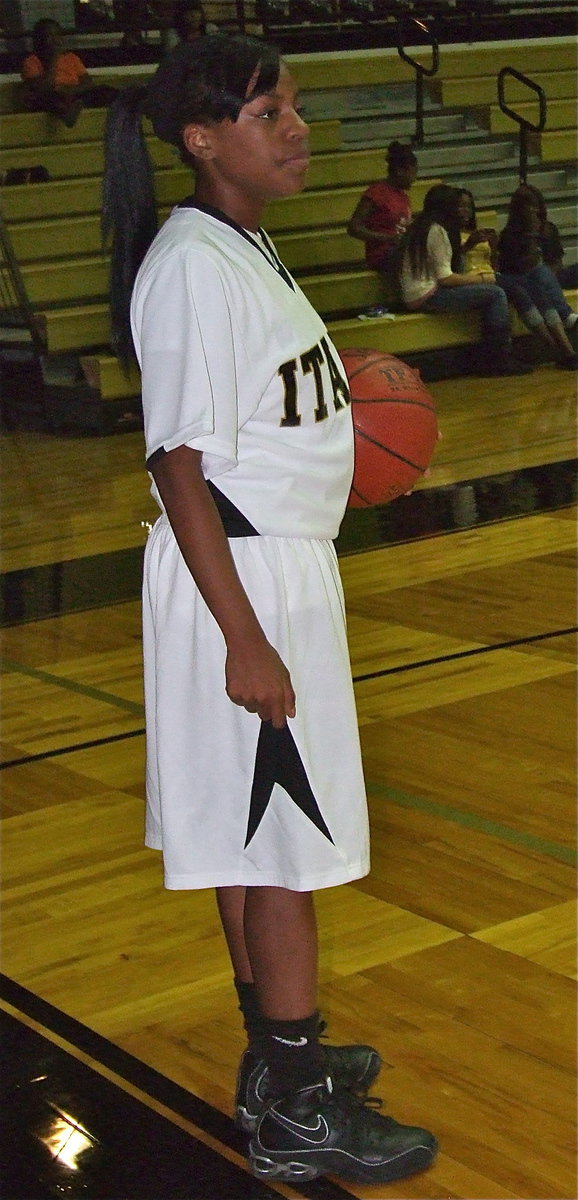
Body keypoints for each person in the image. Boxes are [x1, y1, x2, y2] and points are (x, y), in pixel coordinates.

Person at [101, 34, 438, 1186]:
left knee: (255, 839)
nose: (293, 128)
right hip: (237, 582)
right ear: (202, 139)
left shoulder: (243, 249)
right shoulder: (192, 264)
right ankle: (296, 1112)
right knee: (284, 841)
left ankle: (276, 1062)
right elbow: (177, 464)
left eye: (290, 107)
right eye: (267, 112)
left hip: (269, 567)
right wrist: (243, 637)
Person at [399, 183, 531, 376]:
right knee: (496, 294)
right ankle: (498, 358)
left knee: (493, 292)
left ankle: (493, 357)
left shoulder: (421, 226)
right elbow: (445, 278)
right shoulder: (437, 230)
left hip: (417, 292)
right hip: (427, 295)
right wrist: (483, 279)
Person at [457, 188, 577, 370]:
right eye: (461, 206)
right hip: (479, 280)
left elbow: (494, 267)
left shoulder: (546, 228)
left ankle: (567, 351)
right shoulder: (449, 235)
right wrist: (469, 246)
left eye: (468, 206)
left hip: (501, 276)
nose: (534, 211)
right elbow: (452, 267)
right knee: (531, 281)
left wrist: (493, 248)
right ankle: (560, 346)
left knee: (538, 281)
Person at [498, 185, 578, 355]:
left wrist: (551, 274)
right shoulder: (510, 235)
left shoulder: (549, 228)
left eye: (536, 206)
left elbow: (557, 261)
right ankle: (568, 316)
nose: (534, 211)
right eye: (529, 207)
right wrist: (532, 236)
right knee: (539, 272)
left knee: (548, 272)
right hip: (526, 279)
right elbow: (522, 267)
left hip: (552, 277)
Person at [347, 140, 417, 310]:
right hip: (382, 253)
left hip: (399, 248)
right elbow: (354, 227)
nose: (415, 178)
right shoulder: (377, 192)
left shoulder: (403, 196)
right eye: (412, 172)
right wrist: (388, 238)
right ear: (400, 171)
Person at [21, 19, 117, 128]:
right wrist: (54, 58)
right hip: (53, 96)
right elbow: (42, 88)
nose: (55, 40)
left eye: (57, 35)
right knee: (48, 98)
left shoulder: (71, 58)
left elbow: (88, 83)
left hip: (74, 95)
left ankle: (75, 107)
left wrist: (70, 90)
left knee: (105, 90)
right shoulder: (31, 61)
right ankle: (65, 112)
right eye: (49, 36)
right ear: (40, 39)